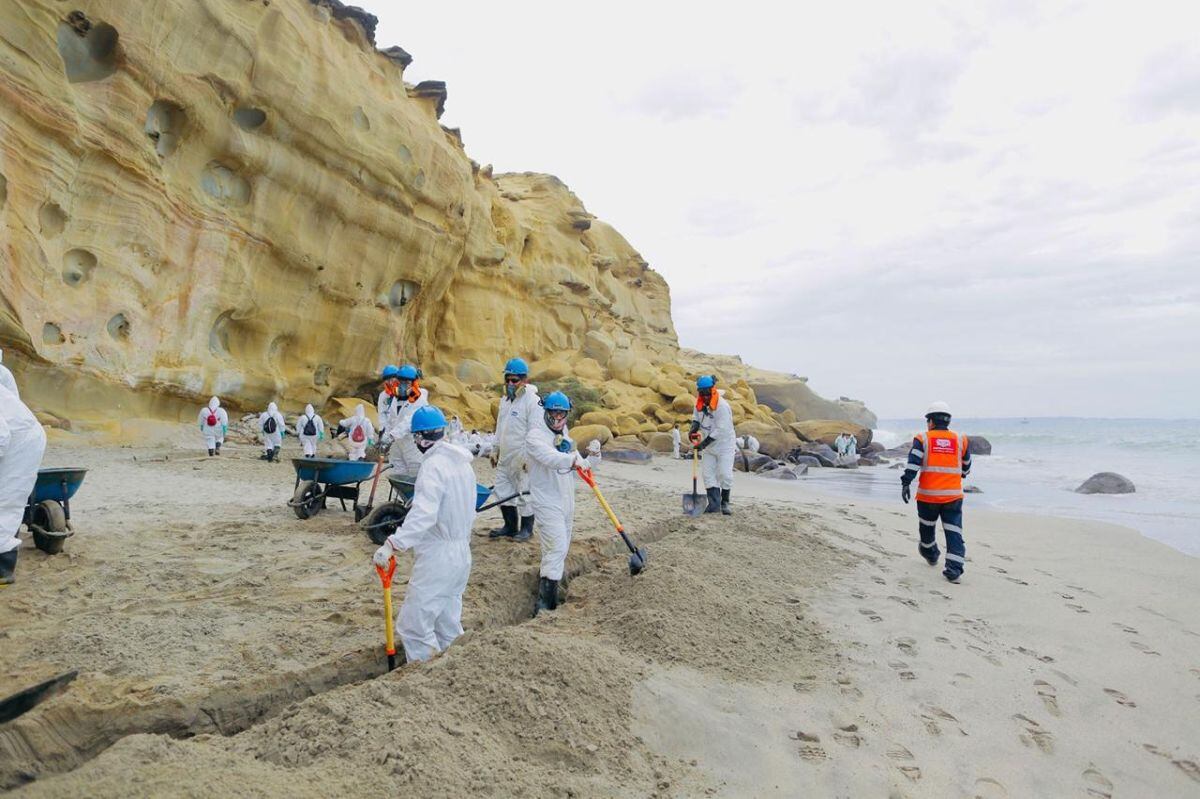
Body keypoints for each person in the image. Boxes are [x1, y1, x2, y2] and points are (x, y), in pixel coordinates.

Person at [372, 406, 475, 663]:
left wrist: (393, 544)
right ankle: (455, 670)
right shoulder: (463, 464)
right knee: (446, 622)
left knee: (414, 625)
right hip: (461, 552)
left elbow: (423, 515)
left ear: (419, 437)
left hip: (439, 556)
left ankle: (426, 675)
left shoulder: (433, 466)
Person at [525, 391, 589, 613]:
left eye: (562, 413)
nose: (558, 417)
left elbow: (580, 462)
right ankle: (545, 604)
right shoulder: (535, 436)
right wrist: (572, 460)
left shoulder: (565, 434)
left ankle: (550, 590)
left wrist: (593, 457)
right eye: (553, 412)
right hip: (547, 501)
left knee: (559, 549)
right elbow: (550, 458)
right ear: (546, 411)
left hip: (566, 501)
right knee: (556, 548)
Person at [901, 401, 972, 584]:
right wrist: (962, 473)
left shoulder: (922, 438)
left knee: (927, 529)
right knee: (954, 532)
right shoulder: (961, 439)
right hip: (953, 496)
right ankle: (954, 570)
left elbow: (913, 463)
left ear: (931, 421)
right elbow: (966, 465)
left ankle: (930, 553)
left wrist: (906, 482)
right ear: (948, 421)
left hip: (928, 497)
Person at [489, 357, 539, 542]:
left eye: (514, 380)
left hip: (522, 457)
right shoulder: (505, 401)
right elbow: (500, 427)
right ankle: (510, 527)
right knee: (502, 491)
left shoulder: (532, 401)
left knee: (525, 493)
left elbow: (535, 431)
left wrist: (528, 456)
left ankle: (527, 529)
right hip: (505, 456)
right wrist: (495, 448)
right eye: (507, 379)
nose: (510, 384)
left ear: (524, 380)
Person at [0, 384, 45, 586]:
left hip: (20, 443)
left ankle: (2, 570)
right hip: (13, 438)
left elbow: (1, 436)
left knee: (5, 504)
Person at [688, 375, 735, 515]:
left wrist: (702, 444)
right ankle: (714, 504)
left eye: (707, 393)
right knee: (707, 474)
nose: (705, 396)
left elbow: (720, 430)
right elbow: (696, 418)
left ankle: (725, 502)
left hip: (725, 445)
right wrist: (693, 429)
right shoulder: (699, 403)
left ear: (713, 390)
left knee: (725, 474)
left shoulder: (722, 406)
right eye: (702, 393)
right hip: (709, 446)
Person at [382, 364, 429, 476]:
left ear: (414, 383)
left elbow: (409, 421)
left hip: (412, 442)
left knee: (415, 470)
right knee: (397, 471)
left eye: (407, 382)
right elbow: (391, 420)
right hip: (396, 443)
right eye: (401, 382)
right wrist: (385, 437)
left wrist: (392, 436)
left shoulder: (419, 400)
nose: (403, 385)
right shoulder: (395, 399)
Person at [377, 364, 401, 430]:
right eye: (387, 380)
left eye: (392, 379)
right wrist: (382, 430)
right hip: (390, 430)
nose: (390, 383)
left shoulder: (404, 392)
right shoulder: (383, 395)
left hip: (404, 430)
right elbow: (382, 414)